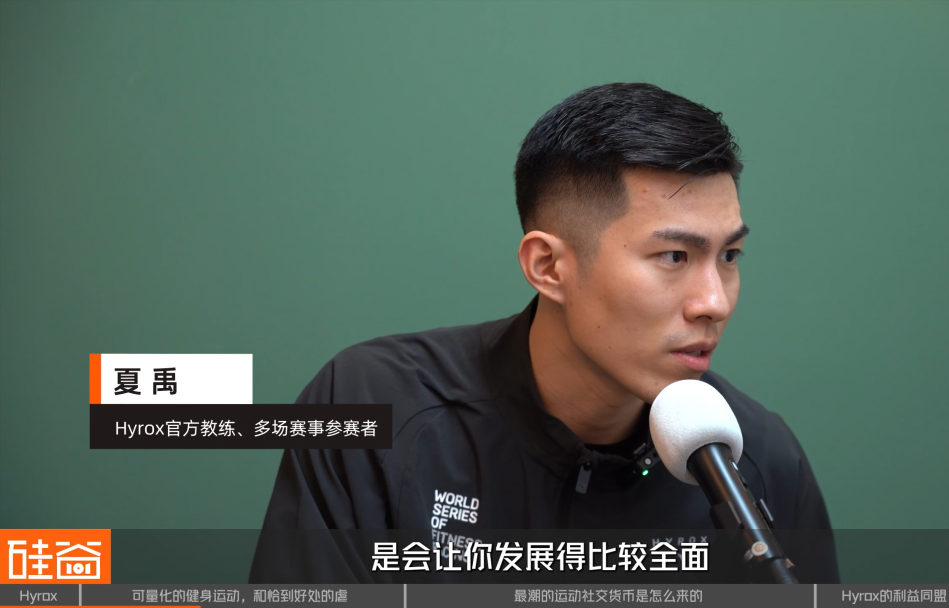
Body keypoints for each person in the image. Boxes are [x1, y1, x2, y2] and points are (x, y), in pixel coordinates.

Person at [250, 82, 840, 584]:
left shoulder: (762, 462)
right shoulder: (377, 408)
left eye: (729, 256)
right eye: (673, 257)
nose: (714, 302)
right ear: (549, 267)